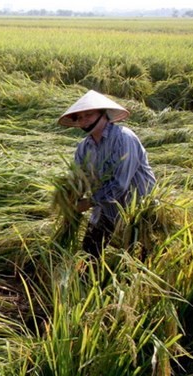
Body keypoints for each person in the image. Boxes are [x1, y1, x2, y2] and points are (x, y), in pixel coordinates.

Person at [58, 90, 156, 258]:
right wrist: (70, 199)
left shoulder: (123, 138)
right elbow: (79, 178)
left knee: (133, 260)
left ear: (104, 114)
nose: (84, 121)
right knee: (90, 254)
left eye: (88, 114)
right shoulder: (84, 147)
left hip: (136, 212)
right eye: (80, 117)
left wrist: (88, 203)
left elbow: (120, 184)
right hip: (106, 209)